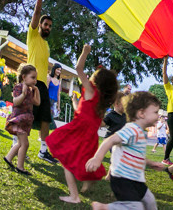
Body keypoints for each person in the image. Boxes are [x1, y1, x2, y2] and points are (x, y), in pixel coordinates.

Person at [46, 44, 119, 203]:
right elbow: (88, 116)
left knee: (66, 161)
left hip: (77, 132)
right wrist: (74, 102)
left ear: (96, 79)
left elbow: (79, 68)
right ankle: (88, 182)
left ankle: (74, 196)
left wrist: (85, 52)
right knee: (82, 161)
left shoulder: (91, 89)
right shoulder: (101, 102)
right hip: (89, 137)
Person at [87, 91, 166, 210]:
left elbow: (137, 155)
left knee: (150, 201)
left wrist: (151, 163)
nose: (157, 115)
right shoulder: (132, 129)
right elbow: (109, 140)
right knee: (136, 207)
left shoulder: (140, 132)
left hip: (136, 179)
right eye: (155, 112)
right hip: (123, 179)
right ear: (141, 113)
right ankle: (104, 208)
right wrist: (97, 158)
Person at [27, 0, 57, 163]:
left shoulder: (46, 45)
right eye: (46, 24)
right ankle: (17, 144)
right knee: (26, 116)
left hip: (42, 87)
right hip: (31, 83)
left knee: (45, 117)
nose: (48, 27)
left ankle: (43, 151)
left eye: (50, 26)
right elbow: (37, 12)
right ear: (39, 25)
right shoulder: (32, 36)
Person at [3, 64, 40, 175]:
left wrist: (36, 90)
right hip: (19, 119)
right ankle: (20, 167)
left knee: (20, 143)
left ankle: (8, 158)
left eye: (35, 78)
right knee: (25, 144)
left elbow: (37, 102)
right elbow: (15, 102)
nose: (35, 81)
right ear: (24, 77)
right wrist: (23, 94)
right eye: (33, 77)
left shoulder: (30, 90)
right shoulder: (19, 87)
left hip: (25, 121)